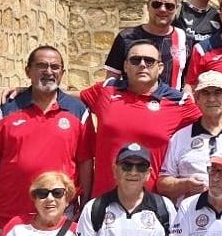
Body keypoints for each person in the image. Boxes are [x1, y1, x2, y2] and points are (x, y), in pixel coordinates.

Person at [0, 45, 93, 229]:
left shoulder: (79, 112)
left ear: (62, 73)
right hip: (12, 217)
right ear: (28, 71)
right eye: (41, 65)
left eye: (55, 67)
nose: (49, 71)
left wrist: (85, 206)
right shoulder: (5, 110)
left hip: (61, 217)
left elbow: (85, 163)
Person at [83, 40, 201, 198]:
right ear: (125, 66)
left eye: (149, 61)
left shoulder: (179, 102)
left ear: (160, 68)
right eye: (135, 60)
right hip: (103, 202)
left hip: (153, 205)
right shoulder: (107, 90)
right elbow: (68, 102)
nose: (142, 65)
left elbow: (212, 126)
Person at [161, 71, 222, 202]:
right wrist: (185, 185)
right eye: (206, 93)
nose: (211, 99)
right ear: (197, 98)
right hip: (191, 211)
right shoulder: (180, 137)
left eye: (218, 93)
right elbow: (162, 183)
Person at [104, 0, 192, 89]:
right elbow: (112, 79)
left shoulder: (183, 38)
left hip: (171, 98)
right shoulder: (126, 37)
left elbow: (188, 80)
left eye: (169, 6)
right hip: (133, 99)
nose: (163, 9)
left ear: (176, 9)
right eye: (157, 4)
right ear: (148, 6)